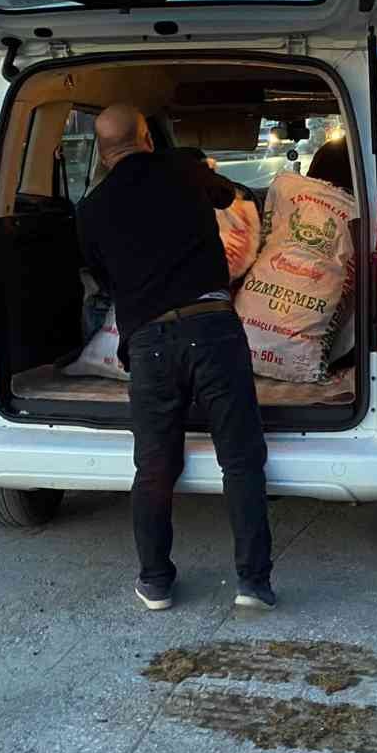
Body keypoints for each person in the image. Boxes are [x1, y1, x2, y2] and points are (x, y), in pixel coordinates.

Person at [77, 104, 276, 613]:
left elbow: (102, 278)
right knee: (241, 458)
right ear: (147, 137)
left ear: (101, 152)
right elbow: (228, 196)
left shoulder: (92, 208)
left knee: (155, 465)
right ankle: (252, 582)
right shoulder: (182, 166)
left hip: (149, 344)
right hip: (212, 328)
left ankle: (156, 581)